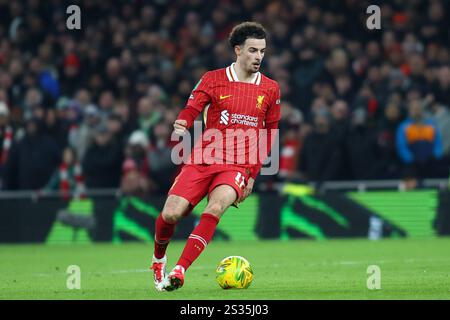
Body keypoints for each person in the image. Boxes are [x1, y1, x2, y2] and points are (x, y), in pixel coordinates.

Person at [150, 22, 281, 291]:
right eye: (253, 50)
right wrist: (183, 122)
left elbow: (269, 134)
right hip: (204, 158)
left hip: (239, 164)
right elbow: (193, 105)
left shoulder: (270, 88)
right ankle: (158, 259)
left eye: (263, 51)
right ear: (237, 50)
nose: (259, 56)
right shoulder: (213, 78)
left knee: (216, 207)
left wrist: (253, 175)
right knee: (171, 214)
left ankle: (179, 270)